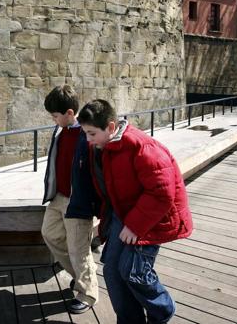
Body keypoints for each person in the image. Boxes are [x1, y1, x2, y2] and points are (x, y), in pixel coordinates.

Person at [78, 99, 193, 324]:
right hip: (126, 214)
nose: (88, 141)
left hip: (151, 218)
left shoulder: (142, 147)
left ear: (111, 128)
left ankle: (163, 309)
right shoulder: (106, 146)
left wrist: (134, 225)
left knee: (133, 271)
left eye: (91, 134)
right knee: (112, 270)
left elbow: (162, 193)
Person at [41, 85, 99, 314]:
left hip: (77, 201)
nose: (53, 120)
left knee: (79, 249)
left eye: (55, 116)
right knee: (50, 234)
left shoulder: (86, 134)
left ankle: (88, 294)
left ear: (69, 113)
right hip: (58, 197)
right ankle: (82, 277)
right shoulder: (61, 131)